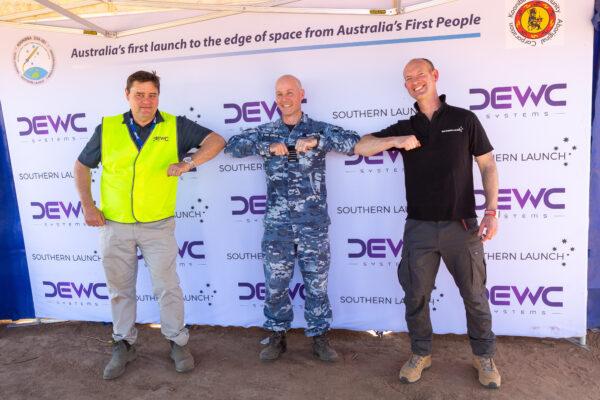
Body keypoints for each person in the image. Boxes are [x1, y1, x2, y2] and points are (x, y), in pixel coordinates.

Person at [355, 59, 501, 389]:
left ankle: (484, 356)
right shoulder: (406, 126)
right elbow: (362, 146)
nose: (415, 82)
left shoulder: (464, 120)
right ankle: (421, 352)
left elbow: (488, 164)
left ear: (434, 76)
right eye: (408, 79)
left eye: (420, 75)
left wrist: (492, 211)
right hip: (419, 228)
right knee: (416, 295)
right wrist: (395, 141)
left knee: (475, 296)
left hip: (462, 227)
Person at [74, 70, 225, 379]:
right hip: (115, 225)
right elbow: (81, 166)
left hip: (158, 226)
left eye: (152, 95)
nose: (146, 101)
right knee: (120, 289)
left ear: (159, 96)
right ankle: (123, 344)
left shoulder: (175, 125)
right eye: (139, 95)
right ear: (127, 95)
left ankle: (176, 342)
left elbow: (217, 140)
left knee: (167, 287)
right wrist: (88, 207)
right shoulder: (108, 128)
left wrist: (189, 163)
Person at [225, 74, 359, 362]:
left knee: (317, 284)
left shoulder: (317, 129)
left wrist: (318, 141)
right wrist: (266, 147)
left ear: (301, 94)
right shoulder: (267, 131)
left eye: (289, 93)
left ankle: (319, 336)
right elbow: (232, 145)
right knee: (275, 284)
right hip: (278, 227)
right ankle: (277, 335)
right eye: (279, 94)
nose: (284, 99)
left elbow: (353, 141)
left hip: (313, 225)